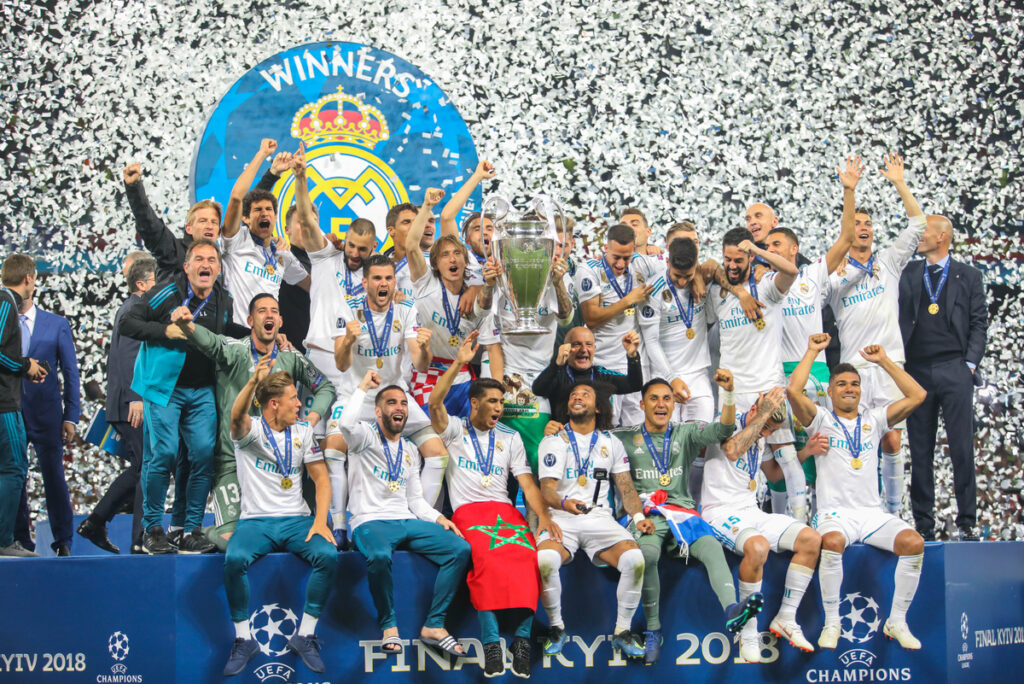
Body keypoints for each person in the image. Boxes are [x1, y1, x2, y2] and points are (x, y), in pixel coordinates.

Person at [613, 374, 765, 664]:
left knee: (710, 547)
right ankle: (653, 630)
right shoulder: (623, 436)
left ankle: (732, 610)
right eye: (654, 399)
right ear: (642, 404)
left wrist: (729, 392)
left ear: (675, 404)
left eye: (667, 398)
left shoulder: (687, 432)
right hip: (646, 514)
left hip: (682, 512)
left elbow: (725, 428)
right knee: (647, 554)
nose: (661, 404)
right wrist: (556, 428)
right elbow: (588, 437)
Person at [429, 332, 557, 677]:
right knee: (486, 559)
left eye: (502, 401)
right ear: (474, 403)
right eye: (493, 401)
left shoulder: (510, 437)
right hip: (469, 512)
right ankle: (490, 644)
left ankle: (521, 640)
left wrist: (543, 516)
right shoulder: (454, 430)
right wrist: (459, 362)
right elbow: (434, 405)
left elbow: (527, 483)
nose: (500, 407)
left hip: (505, 511)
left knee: (531, 558)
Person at [788, 333, 927, 650]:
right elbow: (793, 390)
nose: (849, 388)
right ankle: (832, 622)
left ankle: (897, 621)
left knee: (914, 543)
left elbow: (918, 395)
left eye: (854, 384)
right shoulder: (821, 420)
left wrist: (884, 362)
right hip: (835, 515)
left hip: (871, 514)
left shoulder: (874, 419)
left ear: (861, 390)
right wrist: (811, 350)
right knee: (832, 542)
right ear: (830, 390)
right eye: (842, 384)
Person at [171, 293, 336, 550]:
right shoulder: (236, 351)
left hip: (277, 463)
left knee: (305, 534)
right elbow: (211, 342)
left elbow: (324, 386)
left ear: (280, 321)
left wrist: (312, 417)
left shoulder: (290, 358)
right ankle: (206, 532)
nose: (269, 315)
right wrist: (187, 325)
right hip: (232, 461)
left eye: (274, 311)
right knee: (230, 542)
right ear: (250, 320)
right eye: (261, 311)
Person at [339, 370, 471, 658]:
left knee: (459, 548)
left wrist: (439, 518)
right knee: (379, 556)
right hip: (370, 521)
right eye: (391, 403)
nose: (399, 407)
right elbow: (345, 424)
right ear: (378, 411)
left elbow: (415, 500)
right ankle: (388, 626)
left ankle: (434, 625)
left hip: (406, 519)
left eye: (403, 403)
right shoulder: (364, 439)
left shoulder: (410, 450)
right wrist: (362, 386)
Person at [760, 156, 861, 515]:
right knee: (782, 452)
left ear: (792, 249)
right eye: (766, 246)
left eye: (775, 246)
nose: (768, 251)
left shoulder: (813, 274)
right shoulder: (760, 284)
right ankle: (786, 521)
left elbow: (848, 238)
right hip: (775, 375)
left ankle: (829, 515)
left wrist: (848, 191)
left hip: (815, 373)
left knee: (820, 446)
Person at [826, 153, 926, 513]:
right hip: (853, 369)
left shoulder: (888, 263)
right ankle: (858, 507)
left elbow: (917, 225)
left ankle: (896, 511)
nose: (863, 227)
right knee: (855, 441)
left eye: (868, 222)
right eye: (857, 222)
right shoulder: (834, 277)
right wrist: (848, 193)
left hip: (888, 365)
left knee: (892, 440)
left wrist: (899, 182)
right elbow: (845, 238)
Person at [119, 238, 233, 554]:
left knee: (202, 456)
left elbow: (224, 335)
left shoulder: (223, 298)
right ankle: (152, 530)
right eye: (198, 259)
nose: (205, 265)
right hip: (163, 388)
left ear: (219, 268)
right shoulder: (168, 291)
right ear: (187, 266)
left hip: (202, 390)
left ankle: (189, 530)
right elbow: (128, 322)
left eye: (211, 259)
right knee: (164, 454)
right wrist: (165, 332)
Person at [221, 363, 336, 676]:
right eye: (294, 398)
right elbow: (236, 416)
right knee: (235, 560)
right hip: (256, 522)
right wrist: (252, 381)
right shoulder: (250, 432)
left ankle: (306, 634)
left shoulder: (304, 432)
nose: (300, 404)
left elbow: (321, 479)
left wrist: (320, 520)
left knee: (328, 554)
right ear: (274, 404)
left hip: (296, 520)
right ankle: (243, 639)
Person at [701, 392, 823, 662]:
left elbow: (775, 475)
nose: (766, 432)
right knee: (758, 547)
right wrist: (763, 417)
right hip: (719, 512)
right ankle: (748, 633)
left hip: (751, 511)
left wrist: (806, 452)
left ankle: (786, 617)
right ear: (756, 408)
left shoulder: (761, 437)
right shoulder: (727, 422)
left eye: (772, 430)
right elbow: (732, 451)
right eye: (766, 426)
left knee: (811, 540)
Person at [535, 380, 648, 660]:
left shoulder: (612, 443)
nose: (577, 396)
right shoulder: (553, 440)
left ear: (598, 408)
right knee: (545, 561)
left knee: (635, 561)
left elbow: (626, 487)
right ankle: (556, 628)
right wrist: (563, 503)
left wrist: (638, 515)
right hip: (562, 517)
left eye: (585, 394)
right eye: (573, 394)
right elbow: (546, 489)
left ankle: (622, 631)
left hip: (599, 518)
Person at [330, 253, 450, 513]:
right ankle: (339, 525)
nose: (382, 284)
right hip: (357, 396)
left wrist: (426, 349)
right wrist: (349, 340)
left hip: (394, 399)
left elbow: (420, 364)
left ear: (395, 281)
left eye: (388, 278)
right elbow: (341, 364)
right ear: (365, 283)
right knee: (332, 451)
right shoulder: (348, 308)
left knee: (438, 453)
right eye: (376, 279)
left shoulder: (406, 310)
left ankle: (419, 517)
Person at [705, 228, 808, 521]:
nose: (732, 265)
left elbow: (792, 269)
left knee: (786, 458)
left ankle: (800, 523)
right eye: (728, 259)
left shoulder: (767, 287)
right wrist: (735, 289)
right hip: (734, 393)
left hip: (768, 387)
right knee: (746, 462)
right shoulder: (717, 292)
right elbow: (707, 268)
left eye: (739, 259)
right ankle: (748, 517)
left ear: (751, 256)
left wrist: (760, 251)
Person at [898, 215, 987, 541]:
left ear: (943, 236)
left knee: (962, 448)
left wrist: (970, 365)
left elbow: (979, 323)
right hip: (917, 371)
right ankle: (924, 523)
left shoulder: (969, 275)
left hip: (954, 368)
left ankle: (967, 521)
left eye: (925, 233)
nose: (919, 238)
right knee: (920, 450)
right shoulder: (908, 273)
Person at [77, 252, 156, 554]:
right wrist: (137, 397)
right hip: (130, 403)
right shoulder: (136, 308)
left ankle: (98, 522)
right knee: (147, 467)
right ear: (141, 284)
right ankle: (138, 538)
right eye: (155, 282)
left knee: (143, 468)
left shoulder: (132, 308)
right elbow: (130, 355)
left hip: (126, 402)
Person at [3, 255, 80, 556]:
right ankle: (20, 539)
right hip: (11, 411)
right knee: (15, 476)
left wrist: (71, 416)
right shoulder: (3, 317)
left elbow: (71, 373)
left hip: (47, 415)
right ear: (30, 279)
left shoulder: (57, 323)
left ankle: (64, 540)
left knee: (54, 479)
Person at [479, 231, 574, 473]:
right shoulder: (501, 281)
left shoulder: (556, 278)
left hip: (542, 381)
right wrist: (489, 286)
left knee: (538, 461)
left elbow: (565, 318)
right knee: (501, 463)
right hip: (509, 379)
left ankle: (536, 511)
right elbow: (485, 325)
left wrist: (558, 282)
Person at [406, 188, 503, 416]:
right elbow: (411, 246)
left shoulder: (477, 299)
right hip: (427, 376)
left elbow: (494, 348)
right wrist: (427, 206)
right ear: (436, 264)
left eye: (457, 254)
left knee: (469, 437)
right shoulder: (425, 283)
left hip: (464, 378)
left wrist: (499, 392)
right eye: (445, 255)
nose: (452, 258)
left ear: (465, 261)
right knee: (432, 435)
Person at [288, 149, 376, 383]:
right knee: (311, 421)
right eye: (351, 246)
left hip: (357, 362)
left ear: (374, 247)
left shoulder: (379, 276)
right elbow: (307, 221)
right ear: (345, 239)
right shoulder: (325, 256)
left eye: (362, 249)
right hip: (320, 357)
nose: (354, 254)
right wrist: (300, 177)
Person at [220, 138, 310, 325]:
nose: (264, 214)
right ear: (245, 218)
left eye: (269, 210)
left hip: (267, 338)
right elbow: (237, 197)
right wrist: (263, 155)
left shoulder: (283, 253)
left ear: (275, 217)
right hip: (235, 334)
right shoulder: (236, 241)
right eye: (258, 210)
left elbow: (311, 286)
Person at [574, 223, 654, 425]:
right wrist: (628, 300)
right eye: (615, 257)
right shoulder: (589, 270)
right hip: (603, 366)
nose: (620, 264)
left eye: (626, 258)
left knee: (635, 434)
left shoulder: (642, 264)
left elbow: (678, 268)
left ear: (634, 251)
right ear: (606, 248)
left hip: (633, 366)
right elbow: (591, 318)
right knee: (605, 430)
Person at [637, 238, 714, 424]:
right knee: (667, 443)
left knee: (698, 439)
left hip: (698, 374)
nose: (681, 282)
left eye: (687, 276)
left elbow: (711, 319)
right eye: (676, 275)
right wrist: (671, 378)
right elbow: (651, 341)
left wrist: (700, 277)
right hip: (663, 375)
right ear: (667, 262)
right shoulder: (653, 290)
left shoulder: (703, 282)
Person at [0, 255, 48, 557]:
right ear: (29, 279)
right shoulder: (5, 302)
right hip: (4, 405)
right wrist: (24, 366)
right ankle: (4, 541)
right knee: (14, 468)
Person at [122, 163, 222, 278]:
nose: (209, 226)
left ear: (219, 232)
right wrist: (134, 188)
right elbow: (150, 225)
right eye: (203, 221)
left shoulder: (223, 262)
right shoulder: (174, 252)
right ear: (188, 228)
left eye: (214, 222)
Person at [532, 326, 643, 430]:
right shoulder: (557, 373)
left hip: (598, 441)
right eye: (577, 344)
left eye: (589, 344)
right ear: (566, 348)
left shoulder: (601, 374)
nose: (584, 349)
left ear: (594, 348)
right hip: (564, 440)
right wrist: (556, 365)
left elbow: (634, 384)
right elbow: (538, 389)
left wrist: (632, 356)